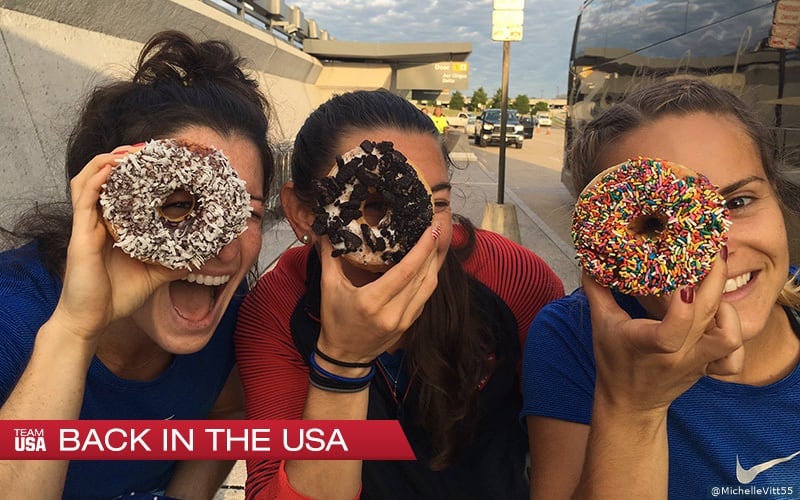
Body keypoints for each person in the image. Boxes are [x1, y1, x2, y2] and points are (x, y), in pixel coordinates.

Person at [235, 89, 564, 499]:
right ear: (304, 214)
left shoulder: (510, 277)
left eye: (436, 203)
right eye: (375, 204)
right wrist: (342, 365)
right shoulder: (277, 311)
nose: (419, 236)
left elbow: (562, 453)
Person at [0, 30, 274, 499]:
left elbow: (226, 411)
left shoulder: (234, 315)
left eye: (245, 213)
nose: (225, 248)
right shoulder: (11, 319)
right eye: (180, 204)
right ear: (106, 204)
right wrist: (73, 330)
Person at [522, 78, 800, 499]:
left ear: (778, 198)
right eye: (657, 225)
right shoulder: (575, 337)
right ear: (606, 252)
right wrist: (632, 409)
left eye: (738, 202)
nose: (715, 253)